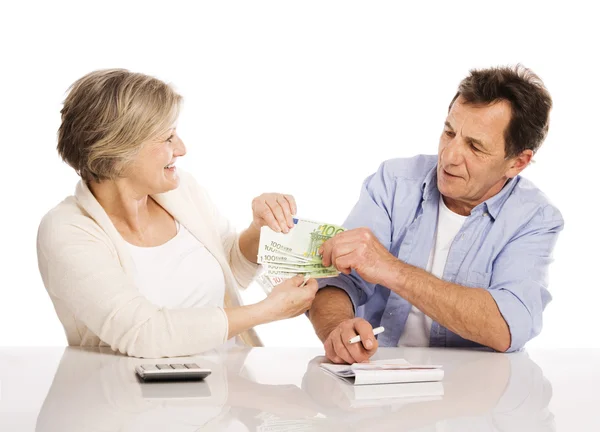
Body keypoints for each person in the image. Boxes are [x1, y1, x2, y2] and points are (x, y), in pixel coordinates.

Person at [37, 69, 318, 358]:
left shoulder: (182, 191)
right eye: (168, 138)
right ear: (119, 151)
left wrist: (260, 231)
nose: (182, 148)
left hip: (228, 390)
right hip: (129, 398)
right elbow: (143, 334)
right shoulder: (67, 230)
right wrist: (267, 311)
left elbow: (229, 269)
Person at [308, 65, 564, 363]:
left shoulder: (535, 218)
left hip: (472, 392)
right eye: (449, 132)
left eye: (475, 146)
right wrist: (337, 327)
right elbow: (336, 280)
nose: (450, 156)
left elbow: (507, 325)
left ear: (517, 163)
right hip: (376, 381)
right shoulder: (393, 182)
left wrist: (391, 269)